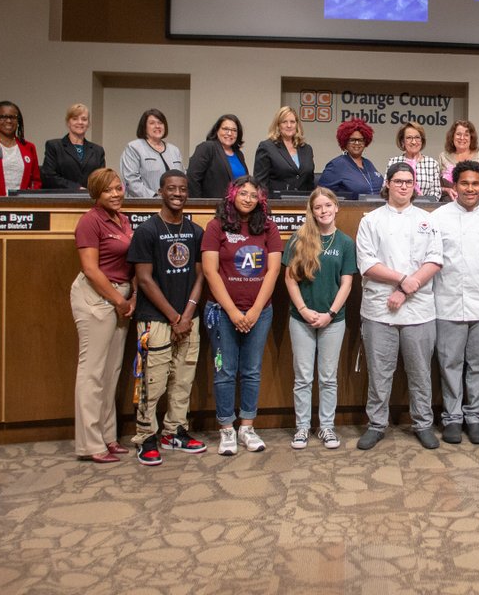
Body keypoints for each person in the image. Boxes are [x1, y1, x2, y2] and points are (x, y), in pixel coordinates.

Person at [355, 162, 444, 451]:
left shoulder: (427, 220)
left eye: (408, 181)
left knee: (420, 373)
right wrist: (402, 280)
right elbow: (367, 264)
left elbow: (434, 260)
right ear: (388, 184)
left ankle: (423, 424)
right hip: (379, 309)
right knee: (379, 373)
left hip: (419, 310)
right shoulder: (371, 221)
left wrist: (405, 290)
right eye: (398, 181)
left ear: (414, 186)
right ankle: (376, 424)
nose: (404, 186)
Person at [127, 170, 207, 465]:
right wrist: (174, 317)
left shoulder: (195, 231)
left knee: (183, 379)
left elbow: (201, 276)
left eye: (182, 189)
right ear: (160, 191)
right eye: (171, 188)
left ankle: (174, 431)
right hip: (156, 319)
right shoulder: (147, 230)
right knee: (153, 380)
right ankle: (146, 436)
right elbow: (144, 279)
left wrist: (187, 314)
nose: (177, 194)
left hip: (188, 319)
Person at [200, 175, 283, 456]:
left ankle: (247, 427)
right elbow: (210, 271)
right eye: (243, 193)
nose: (248, 199)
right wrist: (234, 312)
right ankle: (226, 428)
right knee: (225, 370)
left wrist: (256, 310)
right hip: (222, 312)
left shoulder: (268, 227)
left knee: (251, 370)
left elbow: (273, 270)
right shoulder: (216, 226)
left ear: (261, 200)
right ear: (232, 195)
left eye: (254, 195)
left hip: (260, 312)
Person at [430, 160, 479, 445]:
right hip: (447, 302)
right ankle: (452, 417)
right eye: (464, 183)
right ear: (455, 186)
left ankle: (474, 417)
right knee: (450, 364)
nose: (470, 189)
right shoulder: (438, 217)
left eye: (475, 184)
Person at [282, 187, 357, 450]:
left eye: (327, 205)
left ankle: (326, 427)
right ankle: (302, 427)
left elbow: (347, 283)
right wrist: (303, 309)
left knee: (328, 377)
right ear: (312, 211)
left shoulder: (345, 242)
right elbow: (289, 279)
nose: (323, 211)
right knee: (303, 377)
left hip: (333, 320)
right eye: (318, 207)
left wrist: (330, 314)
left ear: (336, 207)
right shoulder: (299, 238)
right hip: (301, 318)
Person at [70, 168, 135, 463]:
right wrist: (119, 300)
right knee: (92, 372)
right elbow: (90, 269)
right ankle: (90, 443)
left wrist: (129, 297)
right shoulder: (89, 221)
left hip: (120, 297)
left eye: (118, 188)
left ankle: (108, 436)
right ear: (96, 193)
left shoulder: (123, 219)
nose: (116, 194)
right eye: (108, 190)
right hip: (96, 298)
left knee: (111, 372)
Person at [121, 108, 185, 198]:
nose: (157, 126)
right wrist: (155, 198)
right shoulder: (134, 148)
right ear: (144, 127)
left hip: (174, 202)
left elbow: (183, 178)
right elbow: (131, 181)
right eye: (152, 123)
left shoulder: (174, 150)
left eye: (160, 123)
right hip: (146, 203)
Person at [41, 103, 105, 191]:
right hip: (62, 196)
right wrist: (77, 188)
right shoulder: (54, 146)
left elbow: (102, 179)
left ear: (88, 123)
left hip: (90, 197)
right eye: (75, 119)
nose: (80, 122)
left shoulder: (98, 150)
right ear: (68, 122)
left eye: (84, 119)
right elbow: (48, 176)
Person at [254, 106, 316, 196]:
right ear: (278, 125)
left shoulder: (307, 149)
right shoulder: (266, 147)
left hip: (303, 202)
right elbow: (260, 184)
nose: (289, 125)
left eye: (292, 122)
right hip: (276, 202)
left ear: (297, 125)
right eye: (284, 122)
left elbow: (310, 182)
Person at [318, 118, 384, 199]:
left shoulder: (368, 163)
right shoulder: (336, 165)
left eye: (360, 140)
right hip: (350, 207)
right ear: (345, 142)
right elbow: (320, 194)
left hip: (376, 206)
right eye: (352, 140)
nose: (357, 143)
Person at [188, 114, 248, 198]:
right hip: (213, 204)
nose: (230, 133)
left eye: (234, 130)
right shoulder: (207, 148)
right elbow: (193, 178)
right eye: (225, 129)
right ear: (217, 130)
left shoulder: (239, 154)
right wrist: (199, 203)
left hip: (236, 204)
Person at [437, 120, 479, 200]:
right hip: (449, 204)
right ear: (452, 136)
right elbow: (436, 187)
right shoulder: (443, 157)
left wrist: (464, 193)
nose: (462, 138)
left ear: (471, 138)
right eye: (458, 134)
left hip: (474, 205)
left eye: (466, 135)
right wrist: (447, 190)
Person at [386, 122, 441, 201]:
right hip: (399, 206)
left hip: (424, 207)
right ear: (402, 141)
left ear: (422, 141)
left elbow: (436, 193)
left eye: (417, 137)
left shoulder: (432, 164)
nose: (414, 142)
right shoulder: (393, 162)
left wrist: (422, 203)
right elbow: (386, 189)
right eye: (409, 138)